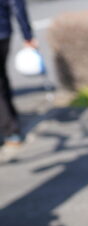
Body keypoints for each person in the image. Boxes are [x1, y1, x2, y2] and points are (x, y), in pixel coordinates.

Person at [0, 0, 35, 146]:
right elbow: (17, 5)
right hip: (4, 33)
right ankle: (12, 118)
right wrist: (27, 35)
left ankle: (10, 130)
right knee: (2, 77)